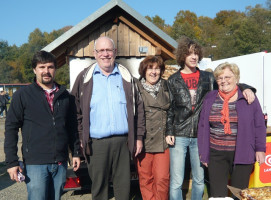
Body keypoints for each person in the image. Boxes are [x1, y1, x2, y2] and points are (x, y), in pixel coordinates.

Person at [165, 36, 255, 200]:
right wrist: (169, 130)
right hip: (179, 133)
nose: (194, 57)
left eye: (196, 53)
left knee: (199, 180)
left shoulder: (208, 78)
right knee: (177, 180)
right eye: (189, 53)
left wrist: (247, 88)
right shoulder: (173, 80)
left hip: (200, 136)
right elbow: (170, 108)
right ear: (182, 56)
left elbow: (227, 84)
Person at [71, 36, 145, 200]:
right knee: (99, 188)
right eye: (101, 51)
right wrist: (80, 137)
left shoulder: (127, 77)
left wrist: (138, 137)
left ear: (115, 52)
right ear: (94, 53)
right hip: (96, 144)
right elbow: (74, 111)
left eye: (109, 50)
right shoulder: (84, 78)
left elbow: (139, 109)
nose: (105, 54)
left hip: (123, 142)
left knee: (123, 188)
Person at [4, 50, 81, 200]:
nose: (46, 71)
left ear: (55, 69)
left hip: (60, 163)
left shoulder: (66, 96)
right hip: (35, 164)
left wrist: (76, 152)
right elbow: (11, 128)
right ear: (34, 70)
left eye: (50, 67)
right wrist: (12, 162)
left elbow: (72, 126)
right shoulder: (23, 95)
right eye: (42, 67)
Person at [197, 62, 266, 198]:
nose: (223, 81)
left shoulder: (248, 98)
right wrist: (203, 153)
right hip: (216, 154)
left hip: (242, 153)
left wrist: (260, 149)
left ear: (236, 78)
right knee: (217, 195)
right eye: (220, 78)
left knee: (239, 194)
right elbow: (203, 126)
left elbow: (259, 125)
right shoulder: (210, 97)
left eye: (227, 77)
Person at [135, 56, 170, 200]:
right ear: (144, 71)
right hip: (143, 140)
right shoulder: (135, 87)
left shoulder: (168, 86)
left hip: (163, 141)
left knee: (162, 179)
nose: (154, 72)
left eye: (157, 68)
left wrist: (245, 87)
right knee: (146, 179)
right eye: (150, 68)